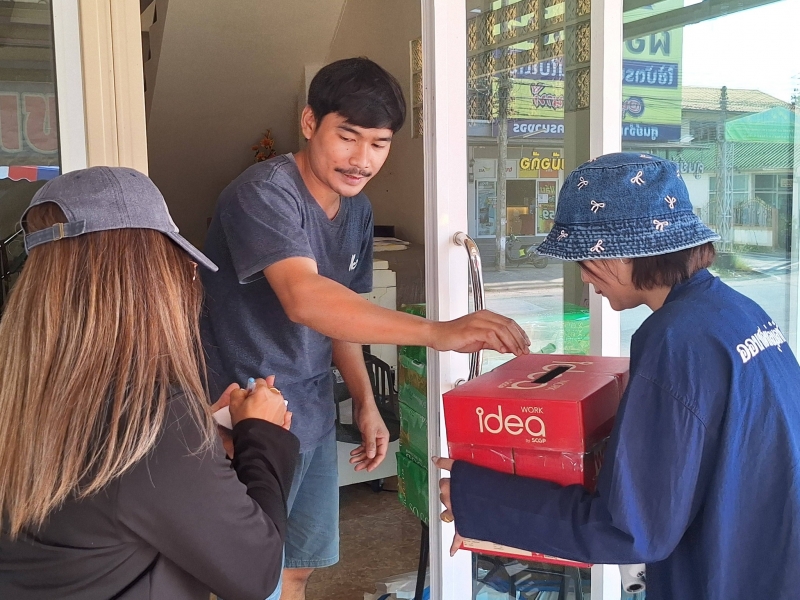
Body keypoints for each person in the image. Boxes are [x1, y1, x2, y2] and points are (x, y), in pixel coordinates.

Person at [200, 57, 530, 599]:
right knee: (248, 577)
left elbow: (341, 312)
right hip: (243, 412)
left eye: (379, 143)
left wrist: (365, 401)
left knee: (298, 568)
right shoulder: (263, 193)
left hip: (308, 413)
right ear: (310, 123)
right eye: (347, 137)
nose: (362, 160)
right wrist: (438, 331)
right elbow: (305, 298)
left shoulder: (357, 210)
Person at [435, 152, 800, 600]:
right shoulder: (737, 311)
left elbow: (631, 528)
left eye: (585, 260)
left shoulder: (675, 338)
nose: (586, 279)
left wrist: (477, 497)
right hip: (769, 559)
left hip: (723, 575)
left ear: (625, 253)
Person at [0, 167, 299, 600]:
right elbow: (258, 573)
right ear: (153, 279)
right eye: (183, 268)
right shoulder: (150, 419)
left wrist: (200, 444)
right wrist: (262, 436)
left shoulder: (21, 391)